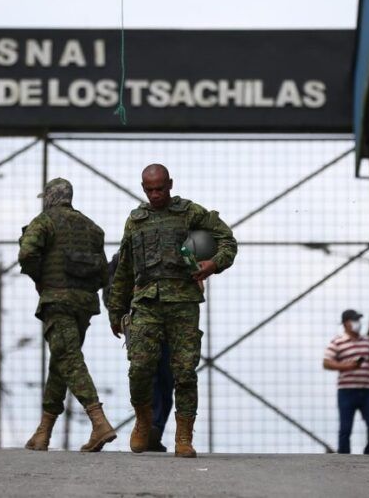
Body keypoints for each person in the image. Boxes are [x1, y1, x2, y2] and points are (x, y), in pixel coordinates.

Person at [106, 163, 237, 458]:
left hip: (183, 304)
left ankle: (183, 435)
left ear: (170, 184)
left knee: (185, 373)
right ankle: (143, 420)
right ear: (143, 188)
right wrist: (116, 310)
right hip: (146, 303)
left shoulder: (190, 213)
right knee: (139, 369)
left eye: (160, 188)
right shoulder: (135, 221)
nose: (155, 194)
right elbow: (125, 267)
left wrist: (214, 264)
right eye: (150, 189)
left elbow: (227, 240)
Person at [19, 178, 116, 452]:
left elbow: (27, 253)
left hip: (58, 301)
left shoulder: (45, 221)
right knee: (62, 360)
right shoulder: (93, 228)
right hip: (84, 304)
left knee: (69, 359)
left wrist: (40, 278)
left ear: (50, 197)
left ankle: (99, 422)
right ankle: (43, 431)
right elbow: (102, 274)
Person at [105, 252, 174, 452]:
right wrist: (119, 313)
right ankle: (149, 427)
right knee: (149, 375)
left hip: (169, 320)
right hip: (141, 320)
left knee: (165, 377)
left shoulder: (176, 247)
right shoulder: (125, 256)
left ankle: (153, 429)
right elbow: (112, 288)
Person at [323, 309, 369, 454]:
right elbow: (326, 362)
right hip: (346, 391)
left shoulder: (366, 342)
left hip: (367, 390)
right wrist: (346, 366)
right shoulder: (337, 342)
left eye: (358, 320)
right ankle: (344, 458)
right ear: (345, 323)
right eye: (354, 320)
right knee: (345, 428)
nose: (358, 324)